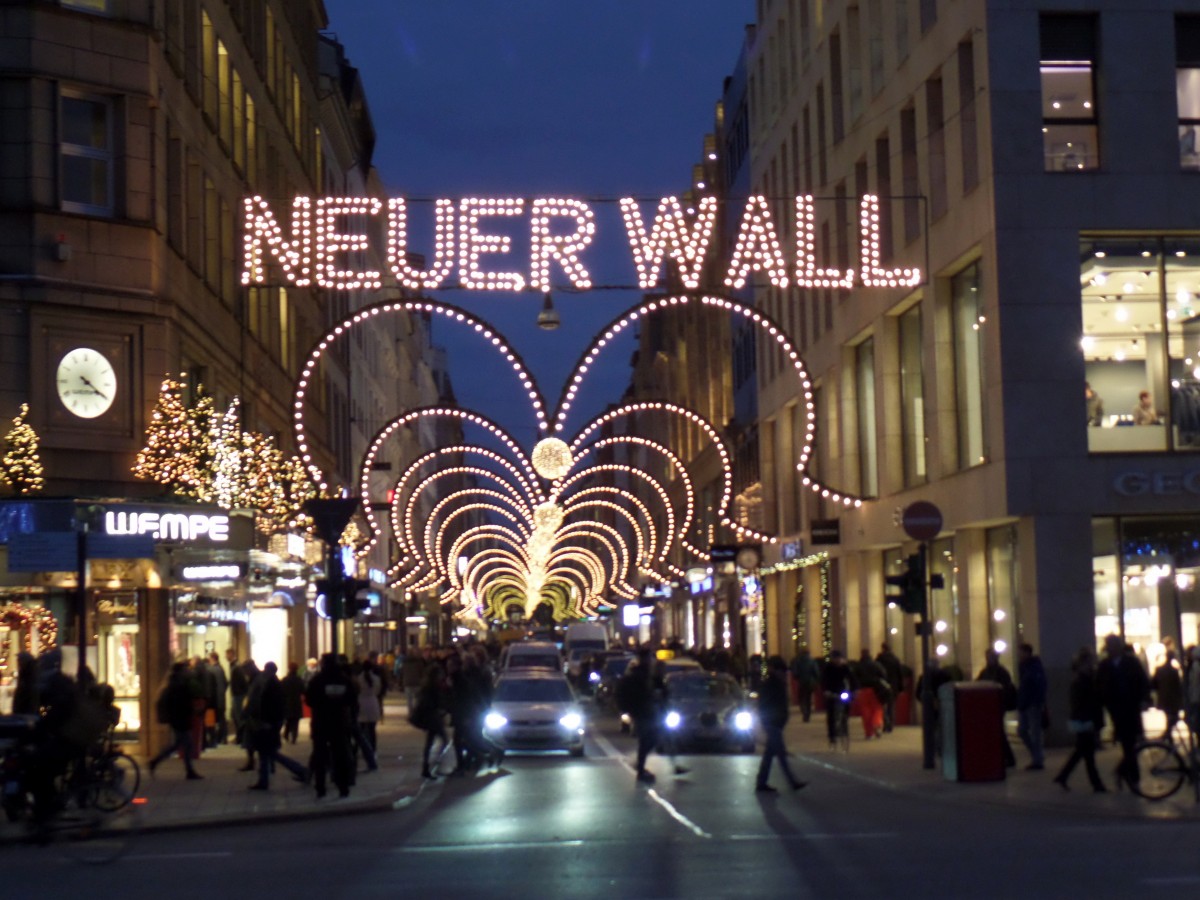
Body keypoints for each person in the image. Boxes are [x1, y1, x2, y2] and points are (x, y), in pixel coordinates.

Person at [1097, 634, 1151, 790]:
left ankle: (1128, 773)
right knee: (1128, 742)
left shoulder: (1131, 662)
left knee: (1130, 742)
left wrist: (1144, 698)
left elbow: (1142, 681)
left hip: (1131, 706)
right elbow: (1100, 686)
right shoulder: (1105, 665)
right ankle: (1127, 773)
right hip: (1116, 708)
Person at [245, 662, 308, 790]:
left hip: (268, 723)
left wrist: (267, 721)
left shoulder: (271, 685)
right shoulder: (273, 683)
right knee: (267, 752)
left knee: (268, 752)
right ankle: (264, 780)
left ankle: (300, 771)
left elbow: (269, 705)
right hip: (271, 721)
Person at [1053, 647, 1106, 792]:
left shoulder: (1086, 679)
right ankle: (1096, 784)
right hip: (1084, 720)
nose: (1092, 664)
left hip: (1085, 720)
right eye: (1090, 662)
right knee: (1087, 754)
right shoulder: (1082, 681)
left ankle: (1063, 776)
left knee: (1082, 752)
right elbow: (1083, 703)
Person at [305, 653, 355, 799]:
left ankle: (320, 787)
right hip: (339, 722)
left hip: (321, 722)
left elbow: (310, 700)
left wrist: (323, 703)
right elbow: (351, 699)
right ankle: (343, 786)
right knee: (340, 754)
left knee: (320, 755)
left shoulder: (317, 680)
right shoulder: (344, 680)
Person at [755, 656, 807, 793]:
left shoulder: (778, 684)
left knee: (769, 753)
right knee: (781, 754)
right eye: (781, 671)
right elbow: (766, 705)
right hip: (773, 723)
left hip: (776, 723)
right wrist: (769, 720)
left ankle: (761, 781)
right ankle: (792, 781)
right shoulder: (771, 684)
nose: (783, 674)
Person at [148, 661, 203, 780]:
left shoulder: (176, 682)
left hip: (179, 717)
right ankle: (189, 771)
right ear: (180, 671)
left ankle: (156, 761)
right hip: (180, 718)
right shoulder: (177, 684)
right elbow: (180, 702)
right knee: (186, 744)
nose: (187, 670)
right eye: (185, 669)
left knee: (179, 744)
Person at [977, 648, 1017, 768]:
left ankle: (1008, 758)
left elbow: (1005, 688)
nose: (989, 659)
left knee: (998, 732)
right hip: (989, 705)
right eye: (988, 657)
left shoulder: (1001, 672)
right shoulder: (985, 672)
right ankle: (1002, 757)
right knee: (995, 732)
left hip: (998, 705)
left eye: (991, 657)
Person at [409, 662, 449, 779]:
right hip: (433, 717)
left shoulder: (428, 686)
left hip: (432, 717)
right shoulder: (432, 687)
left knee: (431, 742)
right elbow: (432, 702)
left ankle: (428, 767)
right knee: (442, 740)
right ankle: (434, 764)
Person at [1016, 643, 1048, 770]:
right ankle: (1036, 755)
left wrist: (1039, 701)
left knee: (1034, 732)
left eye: (1021, 652)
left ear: (1027, 653)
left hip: (1033, 703)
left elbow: (1040, 684)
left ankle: (1037, 759)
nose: (1019, 655)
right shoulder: (1023, 666)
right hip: (1024, 702)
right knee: (1022, 731)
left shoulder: (1034, 666)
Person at [821, 650, 856, 747]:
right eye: (836, 658)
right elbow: (823, 681)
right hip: (831, 692)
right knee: (831, 715)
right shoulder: (828, 668)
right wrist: (826, 691)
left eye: (839, 658)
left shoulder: (845, 668)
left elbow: (852, 679)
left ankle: (844, 728)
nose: (838, 660)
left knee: (846, 710)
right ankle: (832, 737)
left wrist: (854, 690)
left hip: (843, 691)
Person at [854, 649, 889, 739]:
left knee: (865, 711)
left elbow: (854, 678)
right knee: (877, 708)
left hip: (862, 690)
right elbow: (883, 675)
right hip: (875, 689)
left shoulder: (858, 666)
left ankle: (869, 733)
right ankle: (876, 723)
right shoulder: (876, 664)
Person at [1152, 650, 1183, 739]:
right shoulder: (1174, 671)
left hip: (1164, 697)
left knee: (1169, 717)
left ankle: (1167, 735)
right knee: (1174, 717)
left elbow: (1153, 684)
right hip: (1173, 699)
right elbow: (1178, 686)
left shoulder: (1159, 670)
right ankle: (1167, 735)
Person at [876, 643, 904, 732]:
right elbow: (900, 674)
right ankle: (891, 724)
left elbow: (876, 672)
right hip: (893, 686)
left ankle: (885, 722)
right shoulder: (895, 659)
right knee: (891, 706)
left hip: (882, 685)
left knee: (882, 705)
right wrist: (901, 687)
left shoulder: (880, 659)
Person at [789, 648, 819, 723]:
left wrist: (797, 677)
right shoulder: (812, 661)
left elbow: (795, 672)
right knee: (808, 698)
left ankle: (804, 710)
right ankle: (807, 714)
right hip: (810, 682)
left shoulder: (798, 661)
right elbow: (816, 672)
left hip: (801, 682)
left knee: (801, 698)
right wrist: (816, 679)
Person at [281, 660, 306, 744]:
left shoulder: (285, 680)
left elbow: (281, 690)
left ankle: (286, 733)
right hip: (296, 702)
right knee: (295, 721)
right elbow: (303, 691)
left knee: (288, 719)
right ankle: (294, 737)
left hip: (286, 702)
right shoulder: (299, 680)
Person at [206, 651, 228, 748]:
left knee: (212, 720)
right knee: (222, 719)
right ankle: (223, 737)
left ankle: (215, 739)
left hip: (214, 699)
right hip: (221, 698)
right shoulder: (221, 669)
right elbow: (226, 683)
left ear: (212, 658)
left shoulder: (211, 670)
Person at [401, 646, 428, 715]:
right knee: (416, 698)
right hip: (417, 682)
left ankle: (410, 712)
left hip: (407, 682)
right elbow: (422, 672)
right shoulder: (418, 662)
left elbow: (401, 672)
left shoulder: (404, 662)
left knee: (409, 699)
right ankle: (416, 712)